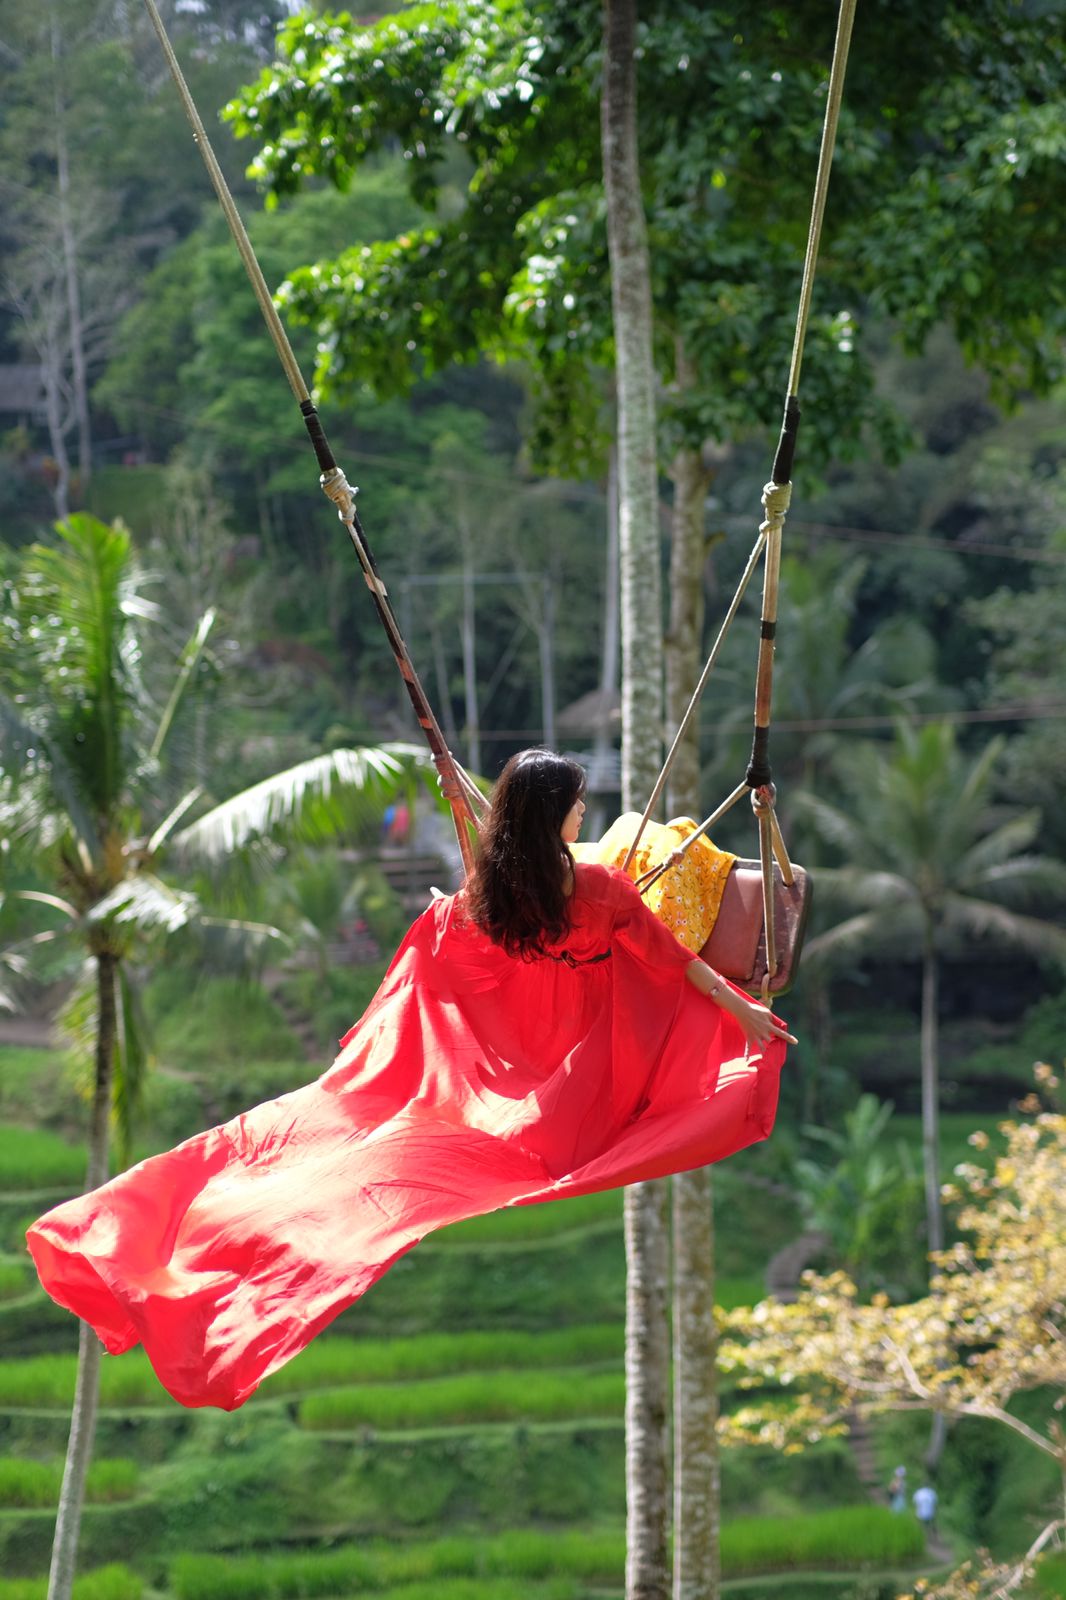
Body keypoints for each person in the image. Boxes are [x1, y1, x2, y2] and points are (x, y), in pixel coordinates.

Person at [27, 749, 794, 1412]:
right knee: (502, 1152)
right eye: (576, 803)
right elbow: (672, 960)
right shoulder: (598, 889)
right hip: (580, 1048)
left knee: (356, 1138)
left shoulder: (498, 886)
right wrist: (742, 1010)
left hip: (526, 1035)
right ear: (553, 815)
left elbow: (461, 932)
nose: (585, 810)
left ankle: (149, 1240)